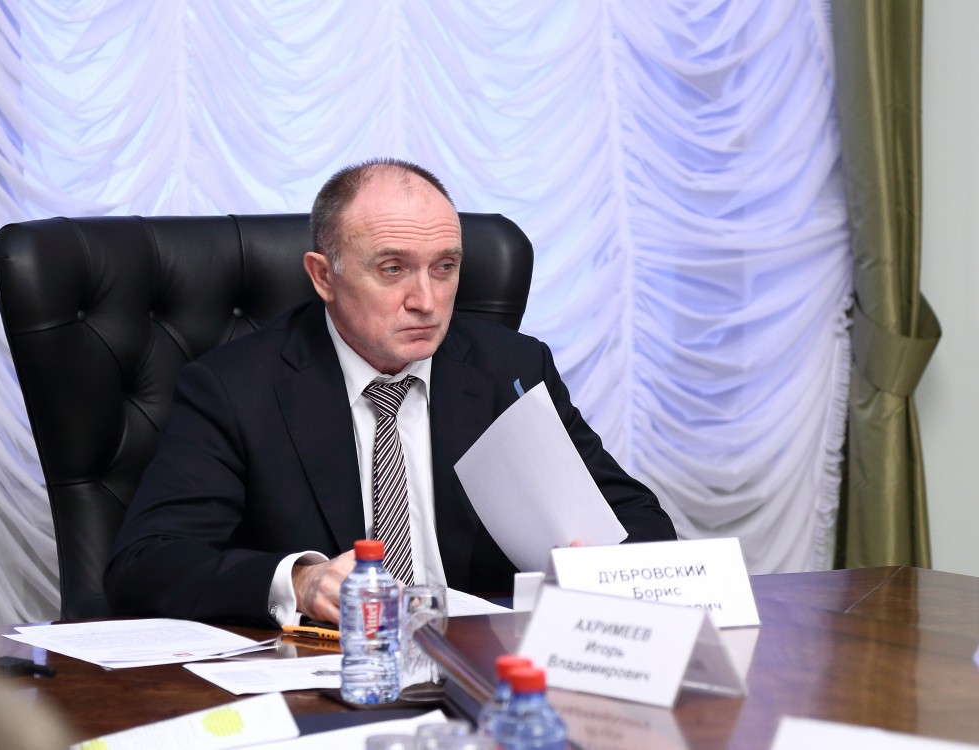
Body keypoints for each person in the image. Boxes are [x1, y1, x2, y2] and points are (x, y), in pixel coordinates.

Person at [104, 158, 676, 627]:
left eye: (444, 267)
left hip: (487, 665)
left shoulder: (509, 369)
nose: (426, 301)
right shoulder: (236, 387)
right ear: (323, 276)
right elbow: (147, 562)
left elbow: (637, 520)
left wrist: (597, 567)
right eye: (393, 269)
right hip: (330, 672)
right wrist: (301, 582)